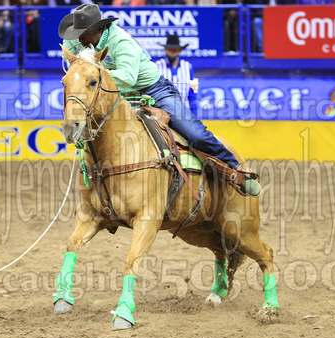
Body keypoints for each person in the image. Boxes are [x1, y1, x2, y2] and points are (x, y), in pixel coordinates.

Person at [58, 4, 261, 196]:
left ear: (98, 30)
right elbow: (73, 71)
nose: (79, 40)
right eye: (77, 34)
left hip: (153, 89)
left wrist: (95, 76)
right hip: (113, 93)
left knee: (194, 133)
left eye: (83, 35)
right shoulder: (73, 40)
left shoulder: (121, 41)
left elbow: (129, 78)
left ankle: (236, 169)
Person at [154, 34, 197, 117]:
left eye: (175, 49)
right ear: (165, 49)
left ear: (180, 50)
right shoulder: (157, 66)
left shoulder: (188, 66)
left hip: (185, 112)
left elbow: (192, 93)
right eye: (169, 49)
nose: (172, 52)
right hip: (163, 113)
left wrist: (193, 114)